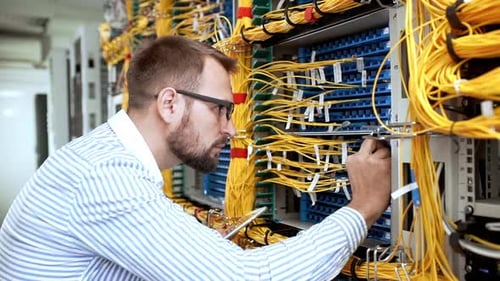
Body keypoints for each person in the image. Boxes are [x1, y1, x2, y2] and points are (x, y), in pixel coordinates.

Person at [0, 35, 391, 281]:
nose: (232, 130)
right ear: (170, 103)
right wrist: (364, 207)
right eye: (220, 109)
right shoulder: (105, 178)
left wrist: (195, 255)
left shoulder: (99, 157)